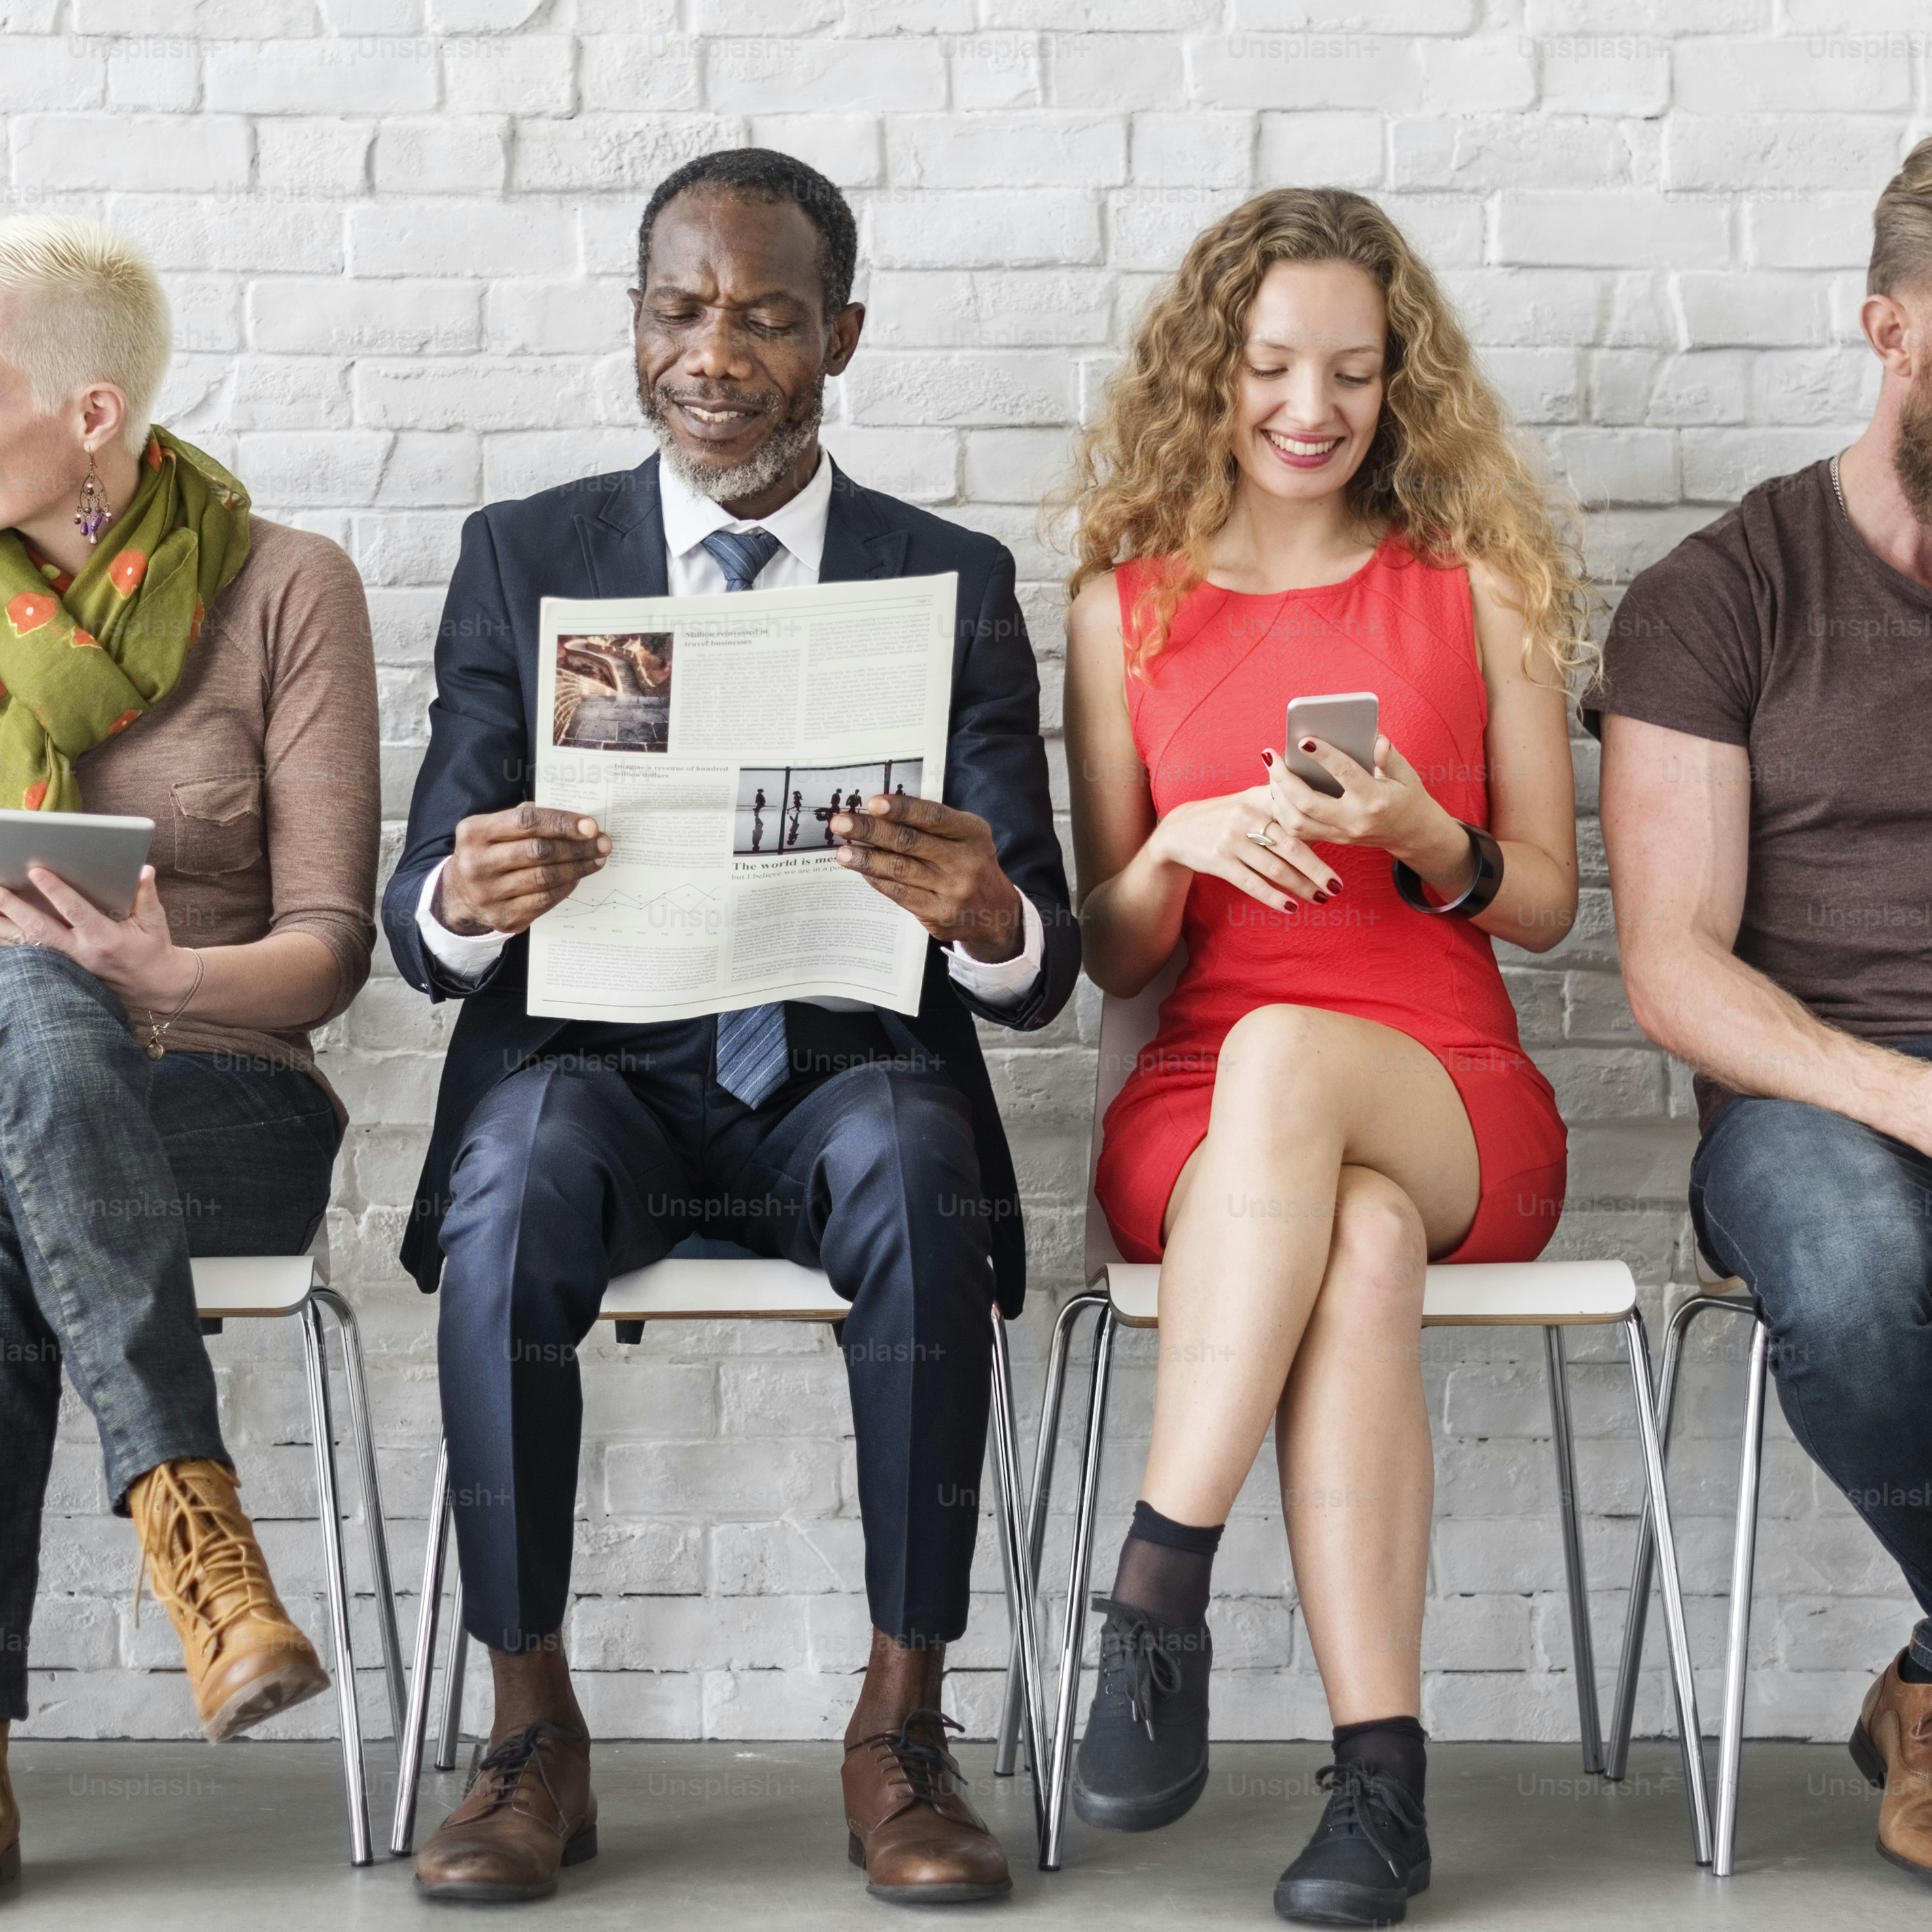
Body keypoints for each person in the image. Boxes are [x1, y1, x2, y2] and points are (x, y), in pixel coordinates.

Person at [383, 149, 1075, 1906]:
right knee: (508, 1185)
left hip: (841, 1074)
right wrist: (471, 892)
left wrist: (982, 914)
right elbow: (416, 919)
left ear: (838, 336)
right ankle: (531, 1719)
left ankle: (899, 1726)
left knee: (924, 1172)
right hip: (592, 1069)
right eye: (680, 311)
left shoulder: (952, 579)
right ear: (635, 326)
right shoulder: (522, 558)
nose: (715, 353)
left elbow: (1042, 951)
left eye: (765, 316)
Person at [1063, 188, 1585, 1925]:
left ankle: (1159, 1580)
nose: (1312, 408)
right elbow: (1108, 950)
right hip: (1205, 1115)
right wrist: (1179, 849)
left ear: (1396, 382)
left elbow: (1547, 909)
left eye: (1353, 374)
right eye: (1272, 367)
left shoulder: (1477, 585)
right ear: (1206, 371)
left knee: (1312, 1067)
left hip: (1449, 1083)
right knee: (1344, 1234)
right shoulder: (1119, 609)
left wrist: (1435, 834)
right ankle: (1380, 1787)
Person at [0, 216, 379, 1885]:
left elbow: (330, 952)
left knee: (34, 1056)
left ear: (93, 414)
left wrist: (170, 965)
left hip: (221, 1085)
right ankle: (205, 1551)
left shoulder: (286, 585)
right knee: (26, 1013)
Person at [1591, 138, 1932, 1885]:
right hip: (1802, 1093)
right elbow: (1673, 963)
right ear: (1886, 327)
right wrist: (1906, 1095)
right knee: (1868, 1277)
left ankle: (1931, 1672)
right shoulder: (1722, 595)